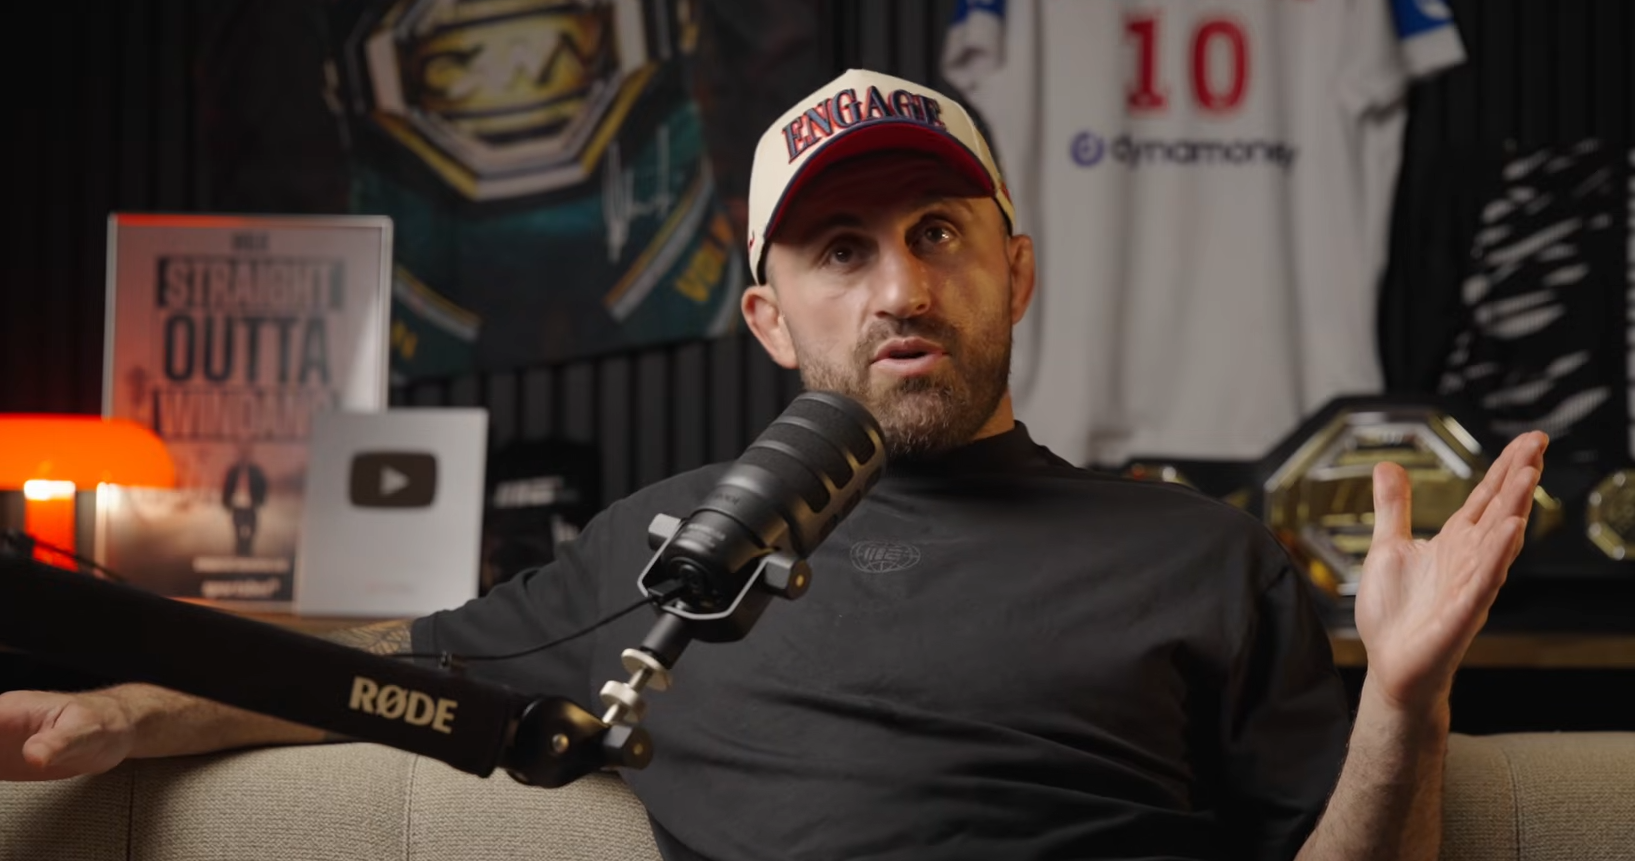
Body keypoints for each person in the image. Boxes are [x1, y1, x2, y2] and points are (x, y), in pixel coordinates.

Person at [0, 70, 1547, 861]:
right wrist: (124, 715)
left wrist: (1405, 700)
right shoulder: (672, 546)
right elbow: (389, 668)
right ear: (768, 317)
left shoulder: (1198, 556)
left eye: (938, 235)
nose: (898, 287)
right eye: (839, 251)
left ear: (1014, 270)